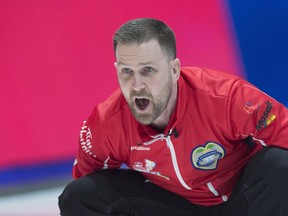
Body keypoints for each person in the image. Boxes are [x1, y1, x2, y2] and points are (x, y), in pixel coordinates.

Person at [58, 18, 288, 216]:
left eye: (148, 70)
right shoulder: (106, 124)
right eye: (127, 71)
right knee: (80, 195)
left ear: (174, 70)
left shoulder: (227, 98)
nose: (136, 85)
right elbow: (86, 184)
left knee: (281, 164)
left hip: (245, 202)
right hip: (176, 206)